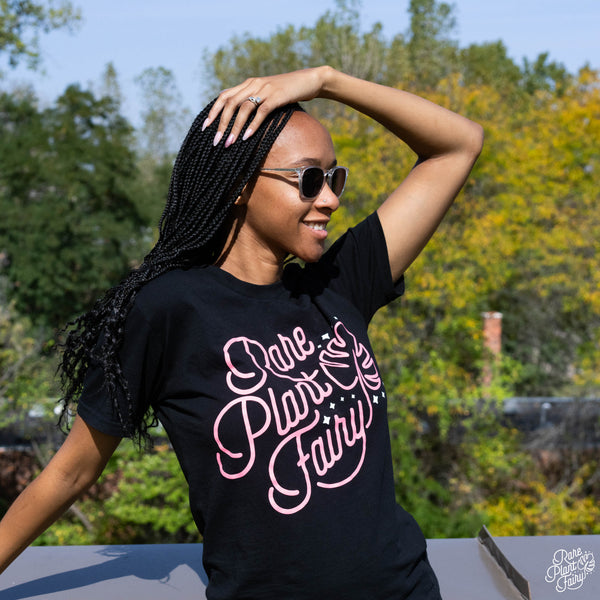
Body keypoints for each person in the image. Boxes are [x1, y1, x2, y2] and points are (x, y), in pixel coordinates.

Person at [0, 66, 483, 598]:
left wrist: (326, 81)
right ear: (238, 186)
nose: (330, 199)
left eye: (334, 178)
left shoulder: (340, 285)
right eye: (309, 180)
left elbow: (458, 145)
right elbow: (71, 472)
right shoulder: (169, 309)